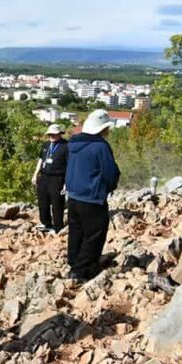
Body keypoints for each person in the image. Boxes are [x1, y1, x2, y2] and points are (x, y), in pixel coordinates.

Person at [65, 110, 120, 282]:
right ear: (102, 129)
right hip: (92, 197)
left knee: (76, 232)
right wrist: (108, 188)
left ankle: (74, 264)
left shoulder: (73, 143)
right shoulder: (100, 146)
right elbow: (110, 173)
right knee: (95, 234)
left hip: (73, 196)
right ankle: (82, 272)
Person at [32, 124, 69, 234]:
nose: (51, 136)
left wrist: (66, 183)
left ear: (59, 134)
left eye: (53, 134)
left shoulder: (66, 146)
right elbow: (40, 159)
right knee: (43, 201)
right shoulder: (46, 144)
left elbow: (69, 165)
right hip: (44, 177)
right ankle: (45, 223)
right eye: (49, 134)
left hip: (57, 178)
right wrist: (35, 174)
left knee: (57, 203)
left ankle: (58, 226)